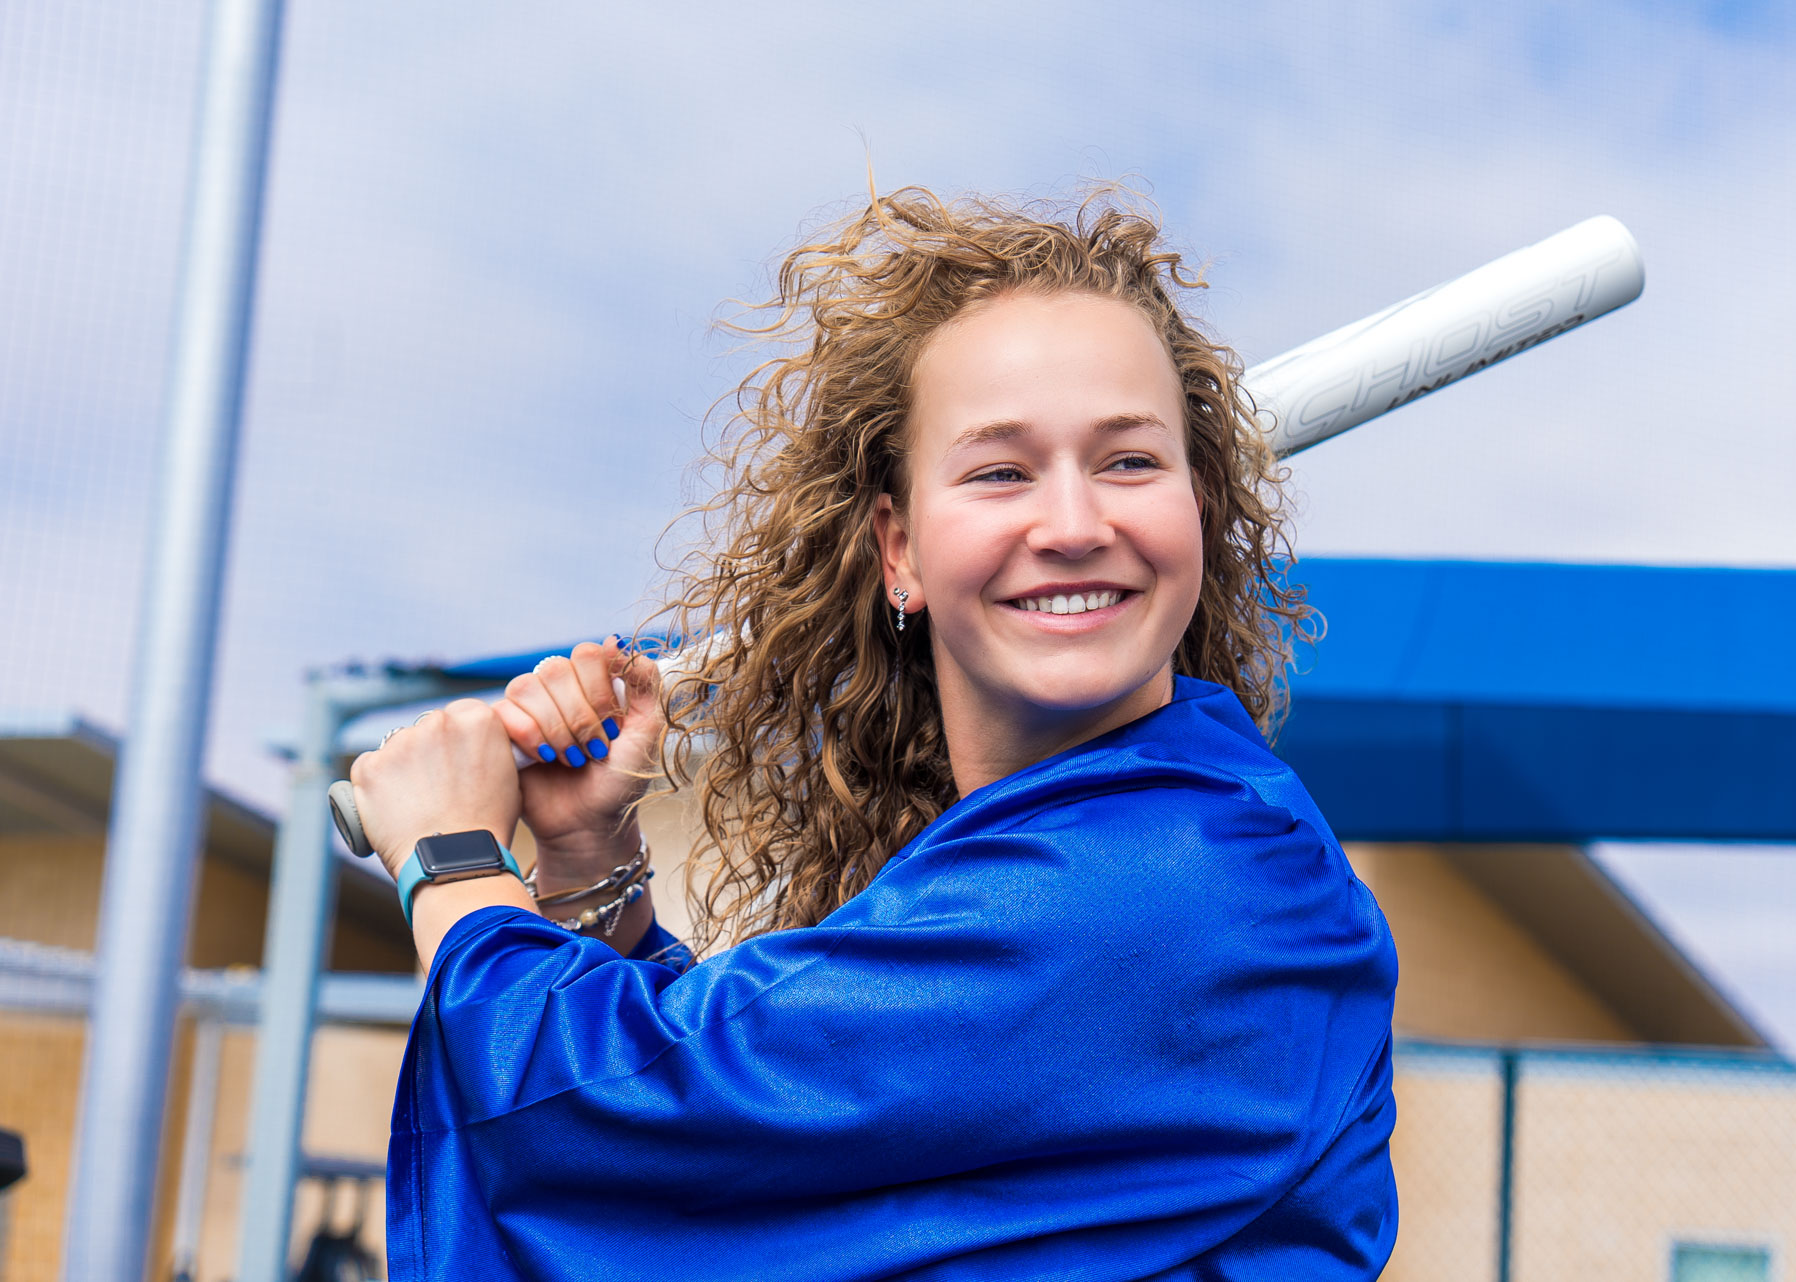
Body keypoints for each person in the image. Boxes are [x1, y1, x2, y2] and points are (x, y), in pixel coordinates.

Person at [351, 186, 1398, 1281]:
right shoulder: (1021, 874)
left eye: (1130, 460)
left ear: (1198, 506)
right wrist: (587, 867)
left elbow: (616, 1121)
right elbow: (753, 1168)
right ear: (897, 551)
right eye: (1001, 470)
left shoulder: (1192, 877)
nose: (1077, 524)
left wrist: (454, 859)